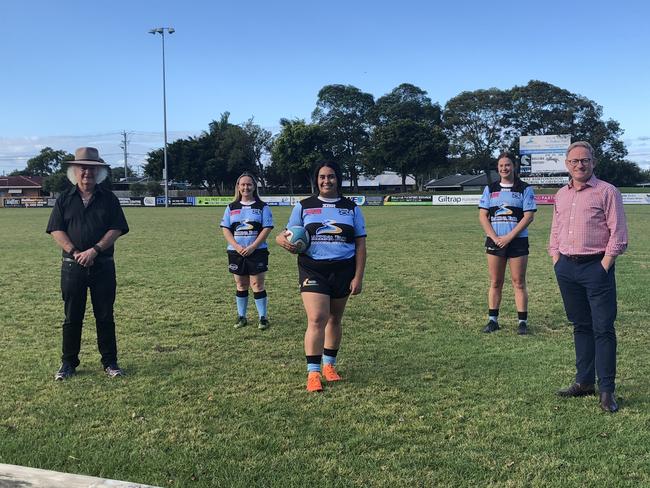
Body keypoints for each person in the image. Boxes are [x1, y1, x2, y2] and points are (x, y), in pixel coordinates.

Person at [550, 141, 628, 413]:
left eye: (585, 160)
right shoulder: (561, 194)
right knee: (580, 326)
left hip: (596, 268)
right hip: (567, 268)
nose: (579, 165)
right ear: (566, 165)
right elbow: (555, 229)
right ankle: (584, 382)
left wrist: (604, 265)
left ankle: (606, 389)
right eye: (574, 161)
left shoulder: (607, 191)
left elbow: (618, 234)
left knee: (603, 328)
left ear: (593, 162)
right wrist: (556, 258)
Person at [276, 162, 367, 392]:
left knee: (335, 319)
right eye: (322, 177)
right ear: (316, 180)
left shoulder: (351, 208)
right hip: (312, 268)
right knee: (317, 318)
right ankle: (313, 373)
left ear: (339, 179)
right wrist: (280, 240)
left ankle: (329, 366)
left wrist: (358, 277)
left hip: (343, 269)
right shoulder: (304, 206)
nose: (327, 181)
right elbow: (288, 234)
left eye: (331, 176)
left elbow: (361, 245)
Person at [46, 147, 129, 380]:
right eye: (83, 168)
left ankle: (110, 362)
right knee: (72, 316)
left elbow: (117, 228)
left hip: (103, 265)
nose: (87, 173)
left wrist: (94, 250)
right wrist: (74, 252)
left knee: (105, 316)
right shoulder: (64, 199)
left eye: (92, 168)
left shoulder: (109, 199)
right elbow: (56, 229)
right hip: (72, 267)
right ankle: (68, 363)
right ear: (74, 170)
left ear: (99, 172)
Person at [478, 152, 536, 334]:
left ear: (514, 166)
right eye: (501, 165)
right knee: (496, 281)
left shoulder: (524, 188)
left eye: (508, 165)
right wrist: (495, 238)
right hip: (495, 241)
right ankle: (493, 320)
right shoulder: (490, 188)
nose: (504, 168)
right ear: (498, 168)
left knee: (519, 282)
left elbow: (528, 217)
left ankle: (522, 323)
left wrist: (509, 237)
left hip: (517, 242)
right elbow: (482, 215)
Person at [220, 172, 274, 330]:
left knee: (257, 284)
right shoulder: (231, 207)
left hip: (257, 251)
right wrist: (237, 246)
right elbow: (225, 229)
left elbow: (267, 228)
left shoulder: (262, 207)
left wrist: (253, 247)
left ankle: (262, 317)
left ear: (254, 186)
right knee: (241, 284)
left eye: (249, 184)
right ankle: (241, 316)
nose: (246, 187)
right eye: (242, 184)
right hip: (236, 252)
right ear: (238, 187)